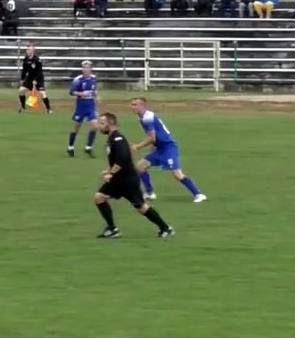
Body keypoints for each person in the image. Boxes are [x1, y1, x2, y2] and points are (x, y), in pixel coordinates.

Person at [92, 112, 174, 240]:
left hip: (127, 180)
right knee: (99, 197)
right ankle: (112, 229)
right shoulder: (113, 138)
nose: (98, 126)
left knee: (141, 207)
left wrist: (110, 173)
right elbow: (123, 157)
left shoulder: (117, 139)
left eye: (102, 123)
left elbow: (122, 158)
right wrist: (108, 170)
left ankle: (166, 228)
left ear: (111, 124)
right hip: (118, 179)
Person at [129, 97, 206, 203]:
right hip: (160, 148)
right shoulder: (143, 118)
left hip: (169, 148)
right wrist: (153, 147)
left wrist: (138, 146)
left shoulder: (147, 118)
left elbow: (152, 137)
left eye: (135, 105)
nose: (132, 107)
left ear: (142, 106)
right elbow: (154, 136)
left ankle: (198, 194)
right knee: (140, 167)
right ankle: (150, 193)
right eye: (132, 104)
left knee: (177, 174)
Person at [67, 60, 100, 158]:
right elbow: (71, 92)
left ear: (91, 68)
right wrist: (81, 94)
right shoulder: (78, 79)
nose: (85, 69)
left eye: (87, 67)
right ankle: (70, 147)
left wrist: (97, 96)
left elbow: (94, 90)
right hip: (81, 106)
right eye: (84, 67)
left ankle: (88, 147)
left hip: (91, 106)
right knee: (76, 128)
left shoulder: (94, 78)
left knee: (95, 126)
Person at [17, 42, 51, 113]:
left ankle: (48, 109)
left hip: (38, 79)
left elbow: (39, 72)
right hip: (30, 78)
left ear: (33, 51)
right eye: (27, 50)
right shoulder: (25, 59)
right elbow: (24, 70)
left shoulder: (37, 60)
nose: (27, 51)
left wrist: (36, 80)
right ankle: (23, 107)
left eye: (29, 50)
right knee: (21, 91)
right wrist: (22, 79)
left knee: (43, 93)